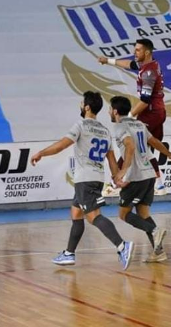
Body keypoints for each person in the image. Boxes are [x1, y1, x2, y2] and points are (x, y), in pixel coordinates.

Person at [30, 91, 134, 270]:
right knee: (76, 213)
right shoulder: (104, 130)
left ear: (86, 107)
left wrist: (41, 153)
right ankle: (69, 253)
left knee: (94, 217)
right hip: (95, 178)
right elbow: (111, 160)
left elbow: (61, 145)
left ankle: (122, 246)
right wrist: (117, 177)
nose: (80, 104)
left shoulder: (81, 125)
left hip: (85, 179)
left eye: (81, 102)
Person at [109, 96, 171, 263]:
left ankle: (155, 231)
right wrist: (169, 154)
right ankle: (159, 252)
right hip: (149, 174)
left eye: (110, 109)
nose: (109, 112)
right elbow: (153, 141)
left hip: (136, 176)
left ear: (115, 111)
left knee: (123, 214)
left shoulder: (120, 127)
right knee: (143, 214)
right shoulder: (139, 124)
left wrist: (123, 170)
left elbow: (130, 145)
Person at [98, 38, 167, 195]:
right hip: (157, 111)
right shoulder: (149, 65)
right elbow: (130, 64)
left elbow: (145, 100)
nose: (134, 52)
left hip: (151, 113)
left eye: (137, 50)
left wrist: (128, 117)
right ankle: (159, 185)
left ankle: (115, 183)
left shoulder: (148, 73)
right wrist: (108, 60)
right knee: (145, 150)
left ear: (147, 52)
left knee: (131, 144)